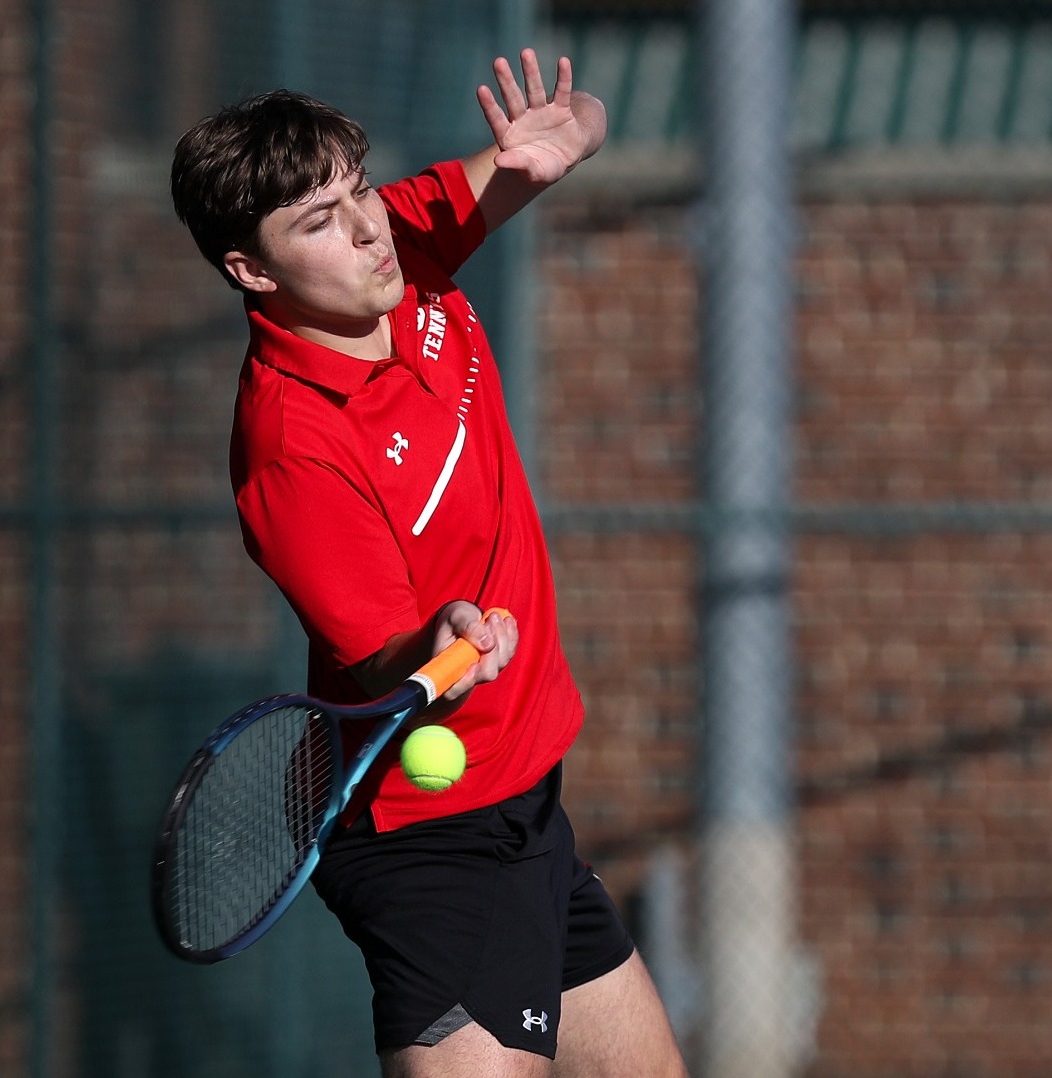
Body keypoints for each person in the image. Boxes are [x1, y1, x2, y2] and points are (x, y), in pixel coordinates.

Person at [169, 49, 688, 1078]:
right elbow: (384, 660)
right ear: (252, 270)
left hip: (525, 801)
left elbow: (563, 126)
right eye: (318, 221)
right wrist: (442, 641)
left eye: (357, 190)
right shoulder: (293, 448)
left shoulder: (396, 244)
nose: (365, 227)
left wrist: (568, 136)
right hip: (429, 838)